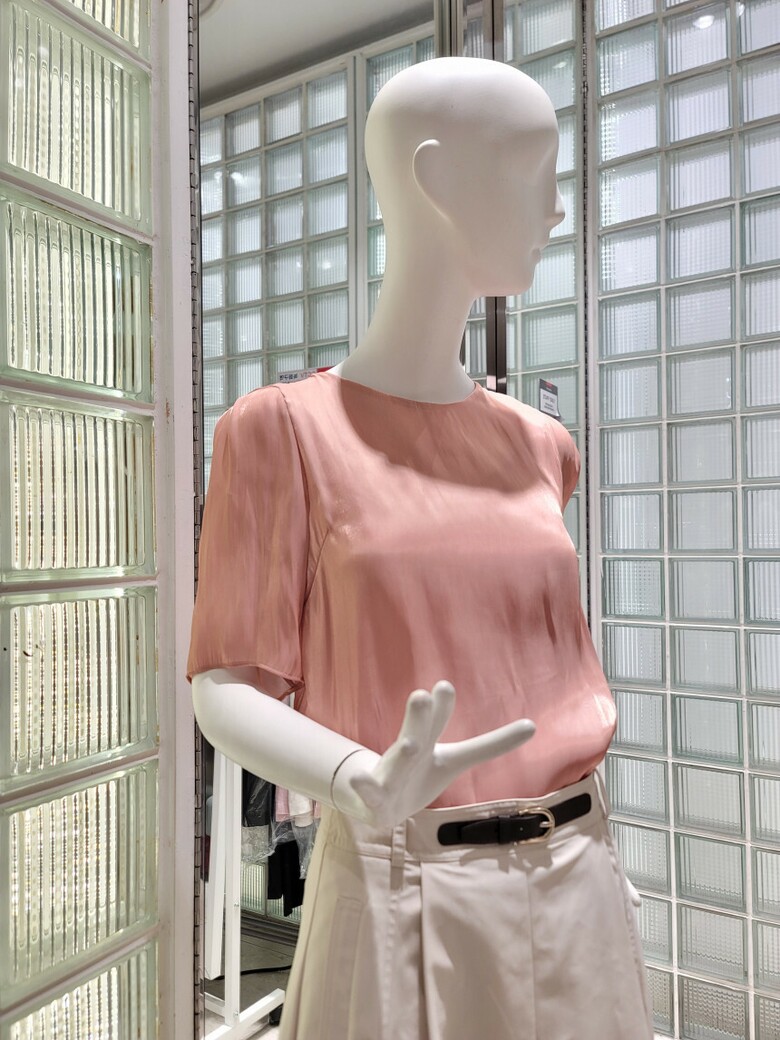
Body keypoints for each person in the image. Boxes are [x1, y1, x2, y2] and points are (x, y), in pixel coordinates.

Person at [189, 56, 653, 1040]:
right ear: (436, 176)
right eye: (536, 172)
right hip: (404, 877)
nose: (557, 209)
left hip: (580, 869)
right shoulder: (282, 432)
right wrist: (353, 772)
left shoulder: (542, 445)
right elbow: (224, 685)